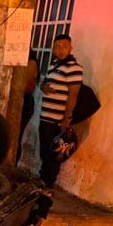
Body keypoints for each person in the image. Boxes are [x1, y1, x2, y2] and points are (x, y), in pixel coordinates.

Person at [38, 34, 83, 186]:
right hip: (45, 117)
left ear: (70, 48)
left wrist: (66, 119)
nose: (61, 50)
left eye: (64, 46)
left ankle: (47, 185)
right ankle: (42, 181)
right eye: (57, 47)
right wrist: (43, 87)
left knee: (54, 154)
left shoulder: (74, 68)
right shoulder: (54, 65)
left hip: (57, 121)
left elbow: (73, 96)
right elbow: (44, 84)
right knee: (45, 152)